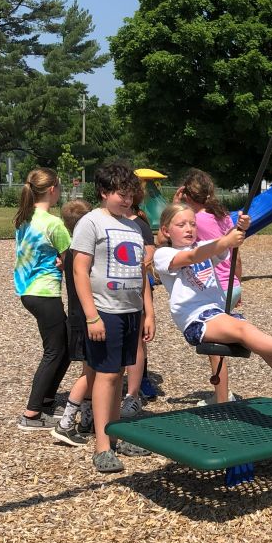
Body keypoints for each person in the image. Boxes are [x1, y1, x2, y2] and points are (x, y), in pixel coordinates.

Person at [153, 202, 272, 397]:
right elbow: (191, 257)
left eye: (192, 224)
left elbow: (225, 242)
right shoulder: (164, 254)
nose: (189, 229)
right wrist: (225, 241)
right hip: (195, 319)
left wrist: (239, 228)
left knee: (261, 343)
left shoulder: (203, 246)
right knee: (244, 330)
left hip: (217, 313)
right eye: (181, 225)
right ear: (166, 230)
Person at [70, 160, 156, 475]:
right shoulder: (91, 222)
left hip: (130, 310)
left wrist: (147, 312)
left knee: (118, 374)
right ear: (104, 192)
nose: (128, 200)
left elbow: (140, 272)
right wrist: (91, 316)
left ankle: (116, 434)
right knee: (105, 376)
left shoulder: (134, 226)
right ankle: (103, 446)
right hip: (104, 311)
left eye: (131, 194)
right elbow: (79, 270)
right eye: (121, 194)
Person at [175, 168, 243, 402]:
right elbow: (235, 252)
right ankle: (223, 394)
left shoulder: (197, 220)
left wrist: (176, 207)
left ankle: (222, 398)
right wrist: (238, 283)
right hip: (231, 284)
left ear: (187, 195)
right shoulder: (222, 215)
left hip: (217, 288)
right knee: (218, 342)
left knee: (213, 347)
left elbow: (178, 246)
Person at [13, 167, 72, 430]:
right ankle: (32, 413)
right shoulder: (53, 223)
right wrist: (63, 263)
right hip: (45, 292)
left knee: (66, 345)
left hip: (28, 291)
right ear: (52, 190)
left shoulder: (24, 218)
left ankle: (48, 400)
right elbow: (73, 258)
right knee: (54, 350)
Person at [51, 199, 95, 447]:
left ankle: (86, 418)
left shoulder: (70, 252)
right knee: (91, 372)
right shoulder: (81, 254)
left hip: (78, 317)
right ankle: (66, 422)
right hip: (85, 317)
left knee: (90, 369)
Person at [120, 182, 159, 418]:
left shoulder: (139, 224)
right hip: (116, 291)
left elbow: (149, 253)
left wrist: (136, 264)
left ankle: (140, 381)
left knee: (138, 339)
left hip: (137, 287)